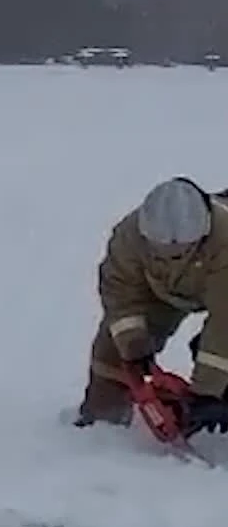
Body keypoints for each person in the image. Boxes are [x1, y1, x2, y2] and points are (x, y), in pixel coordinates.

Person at [77, 177, 228, 436]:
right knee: (113, 351)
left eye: (182, 251)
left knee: (218, 359)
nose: (171, 257)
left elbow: (225, 322)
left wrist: (208, 393)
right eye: (161, 251)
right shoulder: (128, 237)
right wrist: (134, 346)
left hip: (221, 288)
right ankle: (100, 424)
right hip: (161, 292)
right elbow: (121, 295)